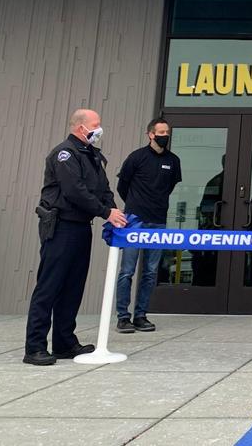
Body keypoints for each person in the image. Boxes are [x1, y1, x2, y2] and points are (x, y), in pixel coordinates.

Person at [24, 109, 126, 365]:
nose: (99, 129)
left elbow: (103, 188)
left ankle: (64, 342)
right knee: (49, 286)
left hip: (81, 226)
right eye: (96, 124)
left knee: (73, 287)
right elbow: (74, 191)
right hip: (61, 226)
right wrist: (105, 212)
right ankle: (34, 346)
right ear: (81, 127)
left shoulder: (91, 155)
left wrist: (113, 210)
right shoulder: (65, 153)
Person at [114, 117, 182, 334]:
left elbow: (169, 187)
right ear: (150, 134)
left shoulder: (173, 161)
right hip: (134, 221)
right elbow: (122, 186)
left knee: (151, 272)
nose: (165, 136)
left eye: (167, 132)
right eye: (161, 132)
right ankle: (123, 317)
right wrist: (134, 206)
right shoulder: (136, 157)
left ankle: (141, 314)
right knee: (127, 271)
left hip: (158, 222)